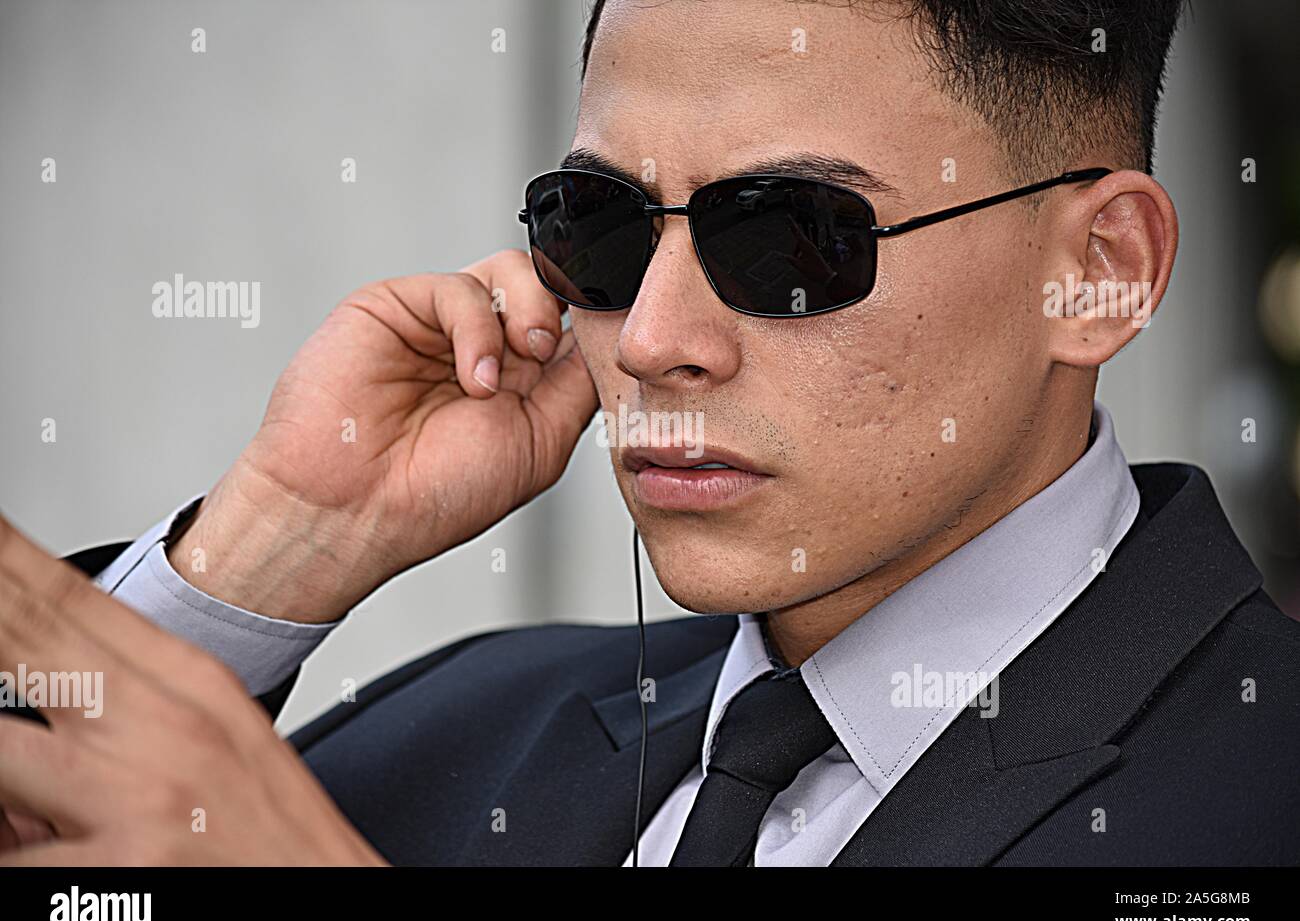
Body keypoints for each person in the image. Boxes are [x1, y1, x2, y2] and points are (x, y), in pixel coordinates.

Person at [2, 0, 1297, 866]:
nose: (653, 336)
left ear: (1100, 271)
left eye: (791, 238)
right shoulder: (472, 728)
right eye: (602, 227)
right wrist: (272, 550)